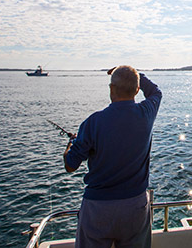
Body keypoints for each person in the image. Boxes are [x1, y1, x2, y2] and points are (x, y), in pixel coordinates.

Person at [63, 65, 162, 248]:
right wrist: (135, 75)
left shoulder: (93, 122)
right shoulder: (146, 113)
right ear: (137, 89)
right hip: (135, 206)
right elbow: (156, 92)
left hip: (98, 208)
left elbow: (70, 165)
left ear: (111, 88)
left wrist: (71, 144)